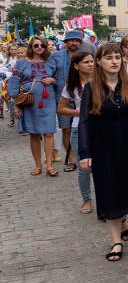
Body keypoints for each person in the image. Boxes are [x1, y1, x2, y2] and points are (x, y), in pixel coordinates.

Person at [77, 43, 128, 262]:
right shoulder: (91, 87)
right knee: (108, 189)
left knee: (126, 187)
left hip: (127, 140)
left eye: (117, 57)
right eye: (108, 57)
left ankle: (123, 222)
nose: (114, 61)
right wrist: (84, 152)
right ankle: (116, 241)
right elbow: (84, 122)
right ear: (98, 61)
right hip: (102, 143)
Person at [9, 35, 60, 177]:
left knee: (49, 133)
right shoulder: (22, 63)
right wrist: (16, 105)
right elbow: (14, 82)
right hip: (29, 101)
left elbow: (58, 80)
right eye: (36, 45)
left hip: (48, 100)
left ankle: (49, 166)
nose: (39, 48)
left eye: (42, 45)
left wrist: (53, 81)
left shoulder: (51, 62)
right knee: (34, 134)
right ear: (31, 47)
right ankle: (38, 165)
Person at [58, 51, 95, 213]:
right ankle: (86, 200)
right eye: (86, 62)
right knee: (84, 167)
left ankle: (104, 200)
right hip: (79, 128)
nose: (91, 64)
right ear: (76, 65)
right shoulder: (71, 85)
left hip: (101, 128)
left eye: (92, 61)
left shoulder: (101, 81)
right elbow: (61, 108)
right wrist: (81, 112)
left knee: (102, 166)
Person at [52, 29, 84, 171]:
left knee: (83, 128)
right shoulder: (56, 56)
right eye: (71, 40)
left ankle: (84, 157)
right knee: (66, 130)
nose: (74, 43)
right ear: (65, 42)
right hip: (63, 95)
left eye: (77, 40)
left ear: (80, 42)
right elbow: (49, 71)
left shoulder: (85, 55)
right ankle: (72, 160)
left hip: (82, 95)